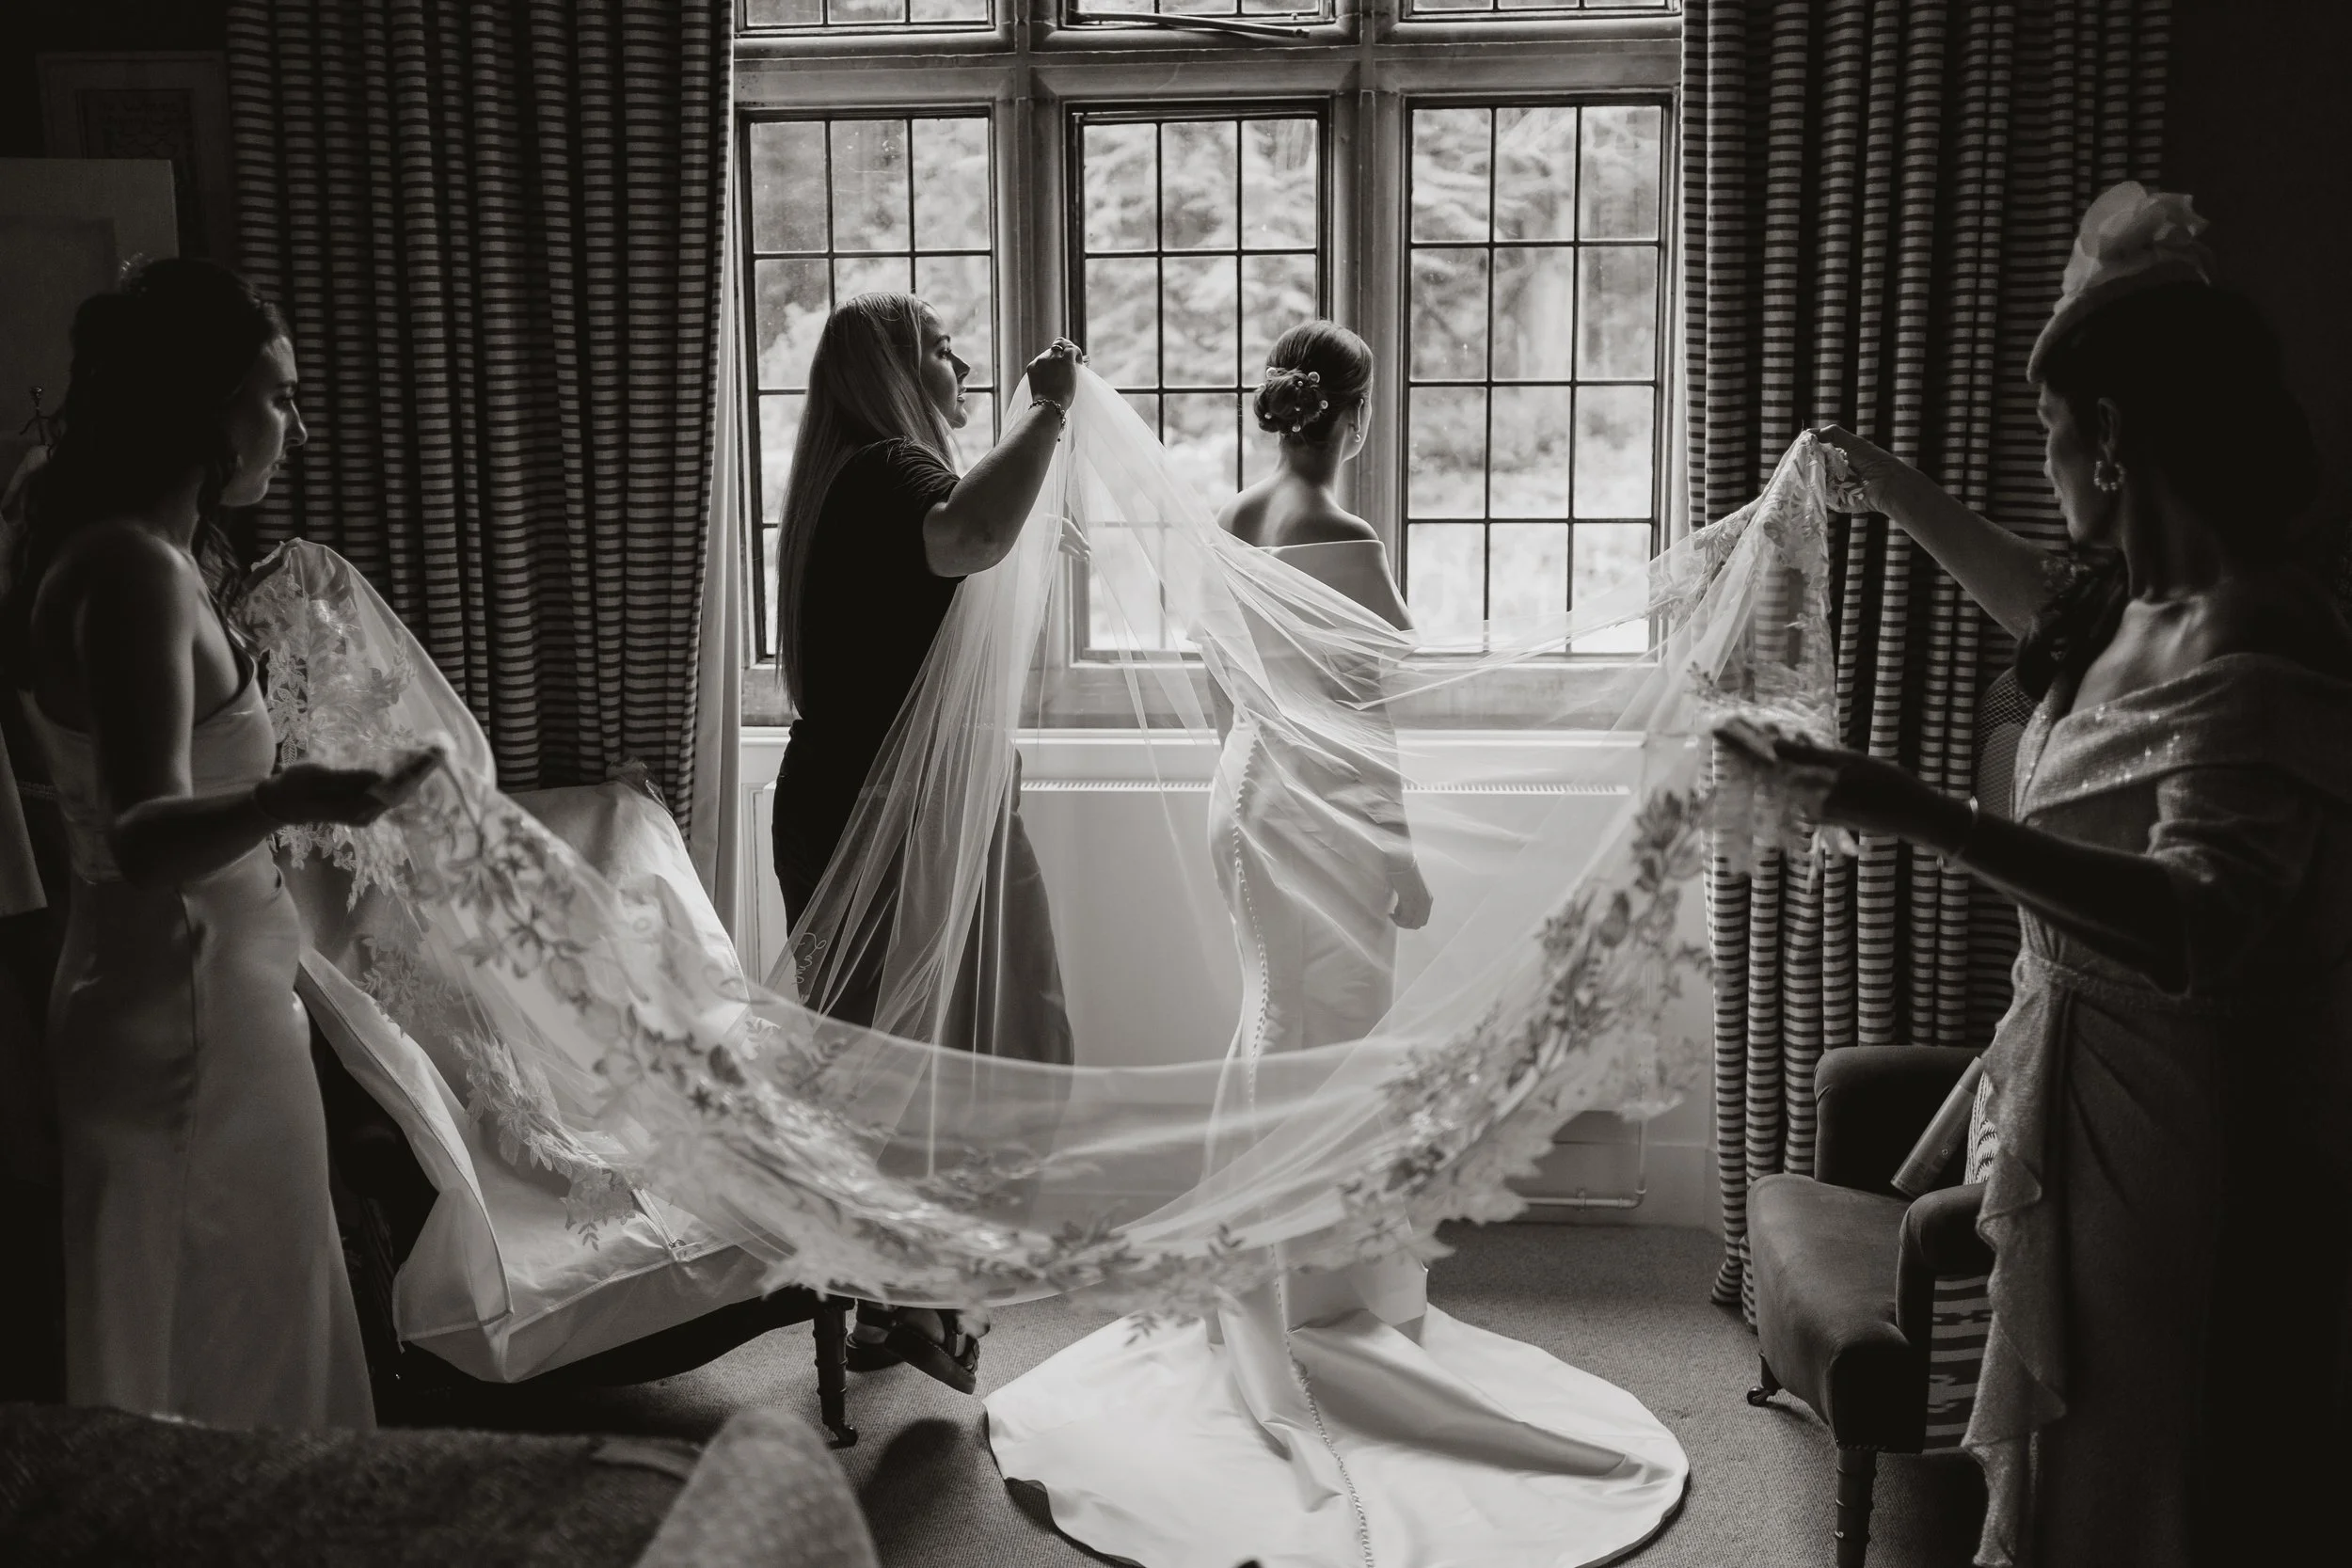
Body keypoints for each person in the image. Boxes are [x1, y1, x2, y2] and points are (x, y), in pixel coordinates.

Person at [985, 323, 1690, 1568]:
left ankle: (1260, 1281)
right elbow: (1374, 719)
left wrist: (1262, 771)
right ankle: (1308, 1303)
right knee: (1333, 1043)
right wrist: (1402, 855)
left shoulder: (1234, 517)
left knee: (1272, 1026)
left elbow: (1220, 684)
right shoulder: (1346, 540)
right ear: (1355, 414)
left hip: (1247, 795)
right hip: (1324, 809)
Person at [1756, 184, 2352, 1566]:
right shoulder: (2133, 607)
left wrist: (1930, 816)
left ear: (2117, 441)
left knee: (2150, 1466)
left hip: (2173, 1132)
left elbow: (2200, 919)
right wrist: (1890, 484)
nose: (2044, 462)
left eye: (2049, 433)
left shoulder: (2268, 630)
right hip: (2068, 1091)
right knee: (2065, 1464)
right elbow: (2037, 594)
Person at [0, 259, 429, 1430]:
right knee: (221, 1327)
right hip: (185, 1011)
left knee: (225, 1305)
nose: (294, 425)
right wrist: (302, 795)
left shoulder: (126, 551)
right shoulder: (134, 575)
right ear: (203, 402)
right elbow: (142, 834)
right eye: (277, 396)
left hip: (187, 989)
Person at [769, 292, 1084, 1390]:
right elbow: (975, 534)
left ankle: (898, 1299)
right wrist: (1045, 416)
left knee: (896, 1066)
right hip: (892, 819)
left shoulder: (842, 483)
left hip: (852, 802)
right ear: (895, 374)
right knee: (977, 1054)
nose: (962, 363)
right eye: (942, 349)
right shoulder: (890, 468)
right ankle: (915, 1299)